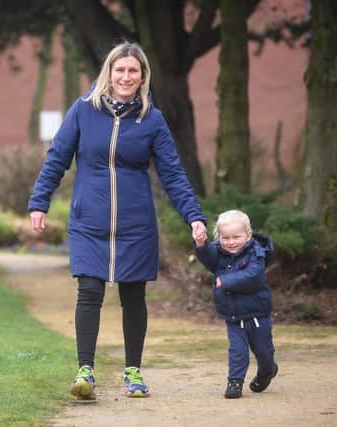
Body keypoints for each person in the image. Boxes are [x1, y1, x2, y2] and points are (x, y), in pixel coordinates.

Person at [28, 41, 207, 400]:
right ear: (108, 73)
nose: (126, 77)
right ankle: (85, 372)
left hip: (135, 223)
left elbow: (172, 174)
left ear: (143, 77)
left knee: (133, 294)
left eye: (133, 71)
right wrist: (39, 201)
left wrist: (194, 217)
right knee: (89, 290)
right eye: (120, 70)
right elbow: (57, 158)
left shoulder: (151, 119)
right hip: (88, 220)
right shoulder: (83, 110)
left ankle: (133, 372)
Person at [193, 209, 278, 399]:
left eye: (236, 237)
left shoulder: (257, 253)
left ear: (248, 234)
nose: (231, 242)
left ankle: (267, 370)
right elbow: (208, 258)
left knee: (263, 350)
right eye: (225, 237)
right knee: (237, 350)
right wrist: (200, 244)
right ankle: (235, 382)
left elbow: (253, 276)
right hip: (233, 315)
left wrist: (227, 281)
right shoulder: (219, 253)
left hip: (257, 313)